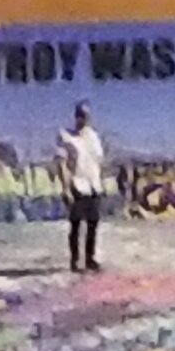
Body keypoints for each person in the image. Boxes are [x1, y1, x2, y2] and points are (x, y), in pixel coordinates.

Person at [55, 102, 106, 274]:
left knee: (93, 223)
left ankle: (90, 259)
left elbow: (98, 161)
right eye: (82, 115)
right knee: (76, 224)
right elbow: (62, 164)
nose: (84, 118)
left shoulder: (94, 136)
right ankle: (75, 260)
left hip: (94, 185)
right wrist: (66, 188)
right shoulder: (65, 136)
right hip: (77, 184)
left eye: (87, 115)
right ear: (76, 115)